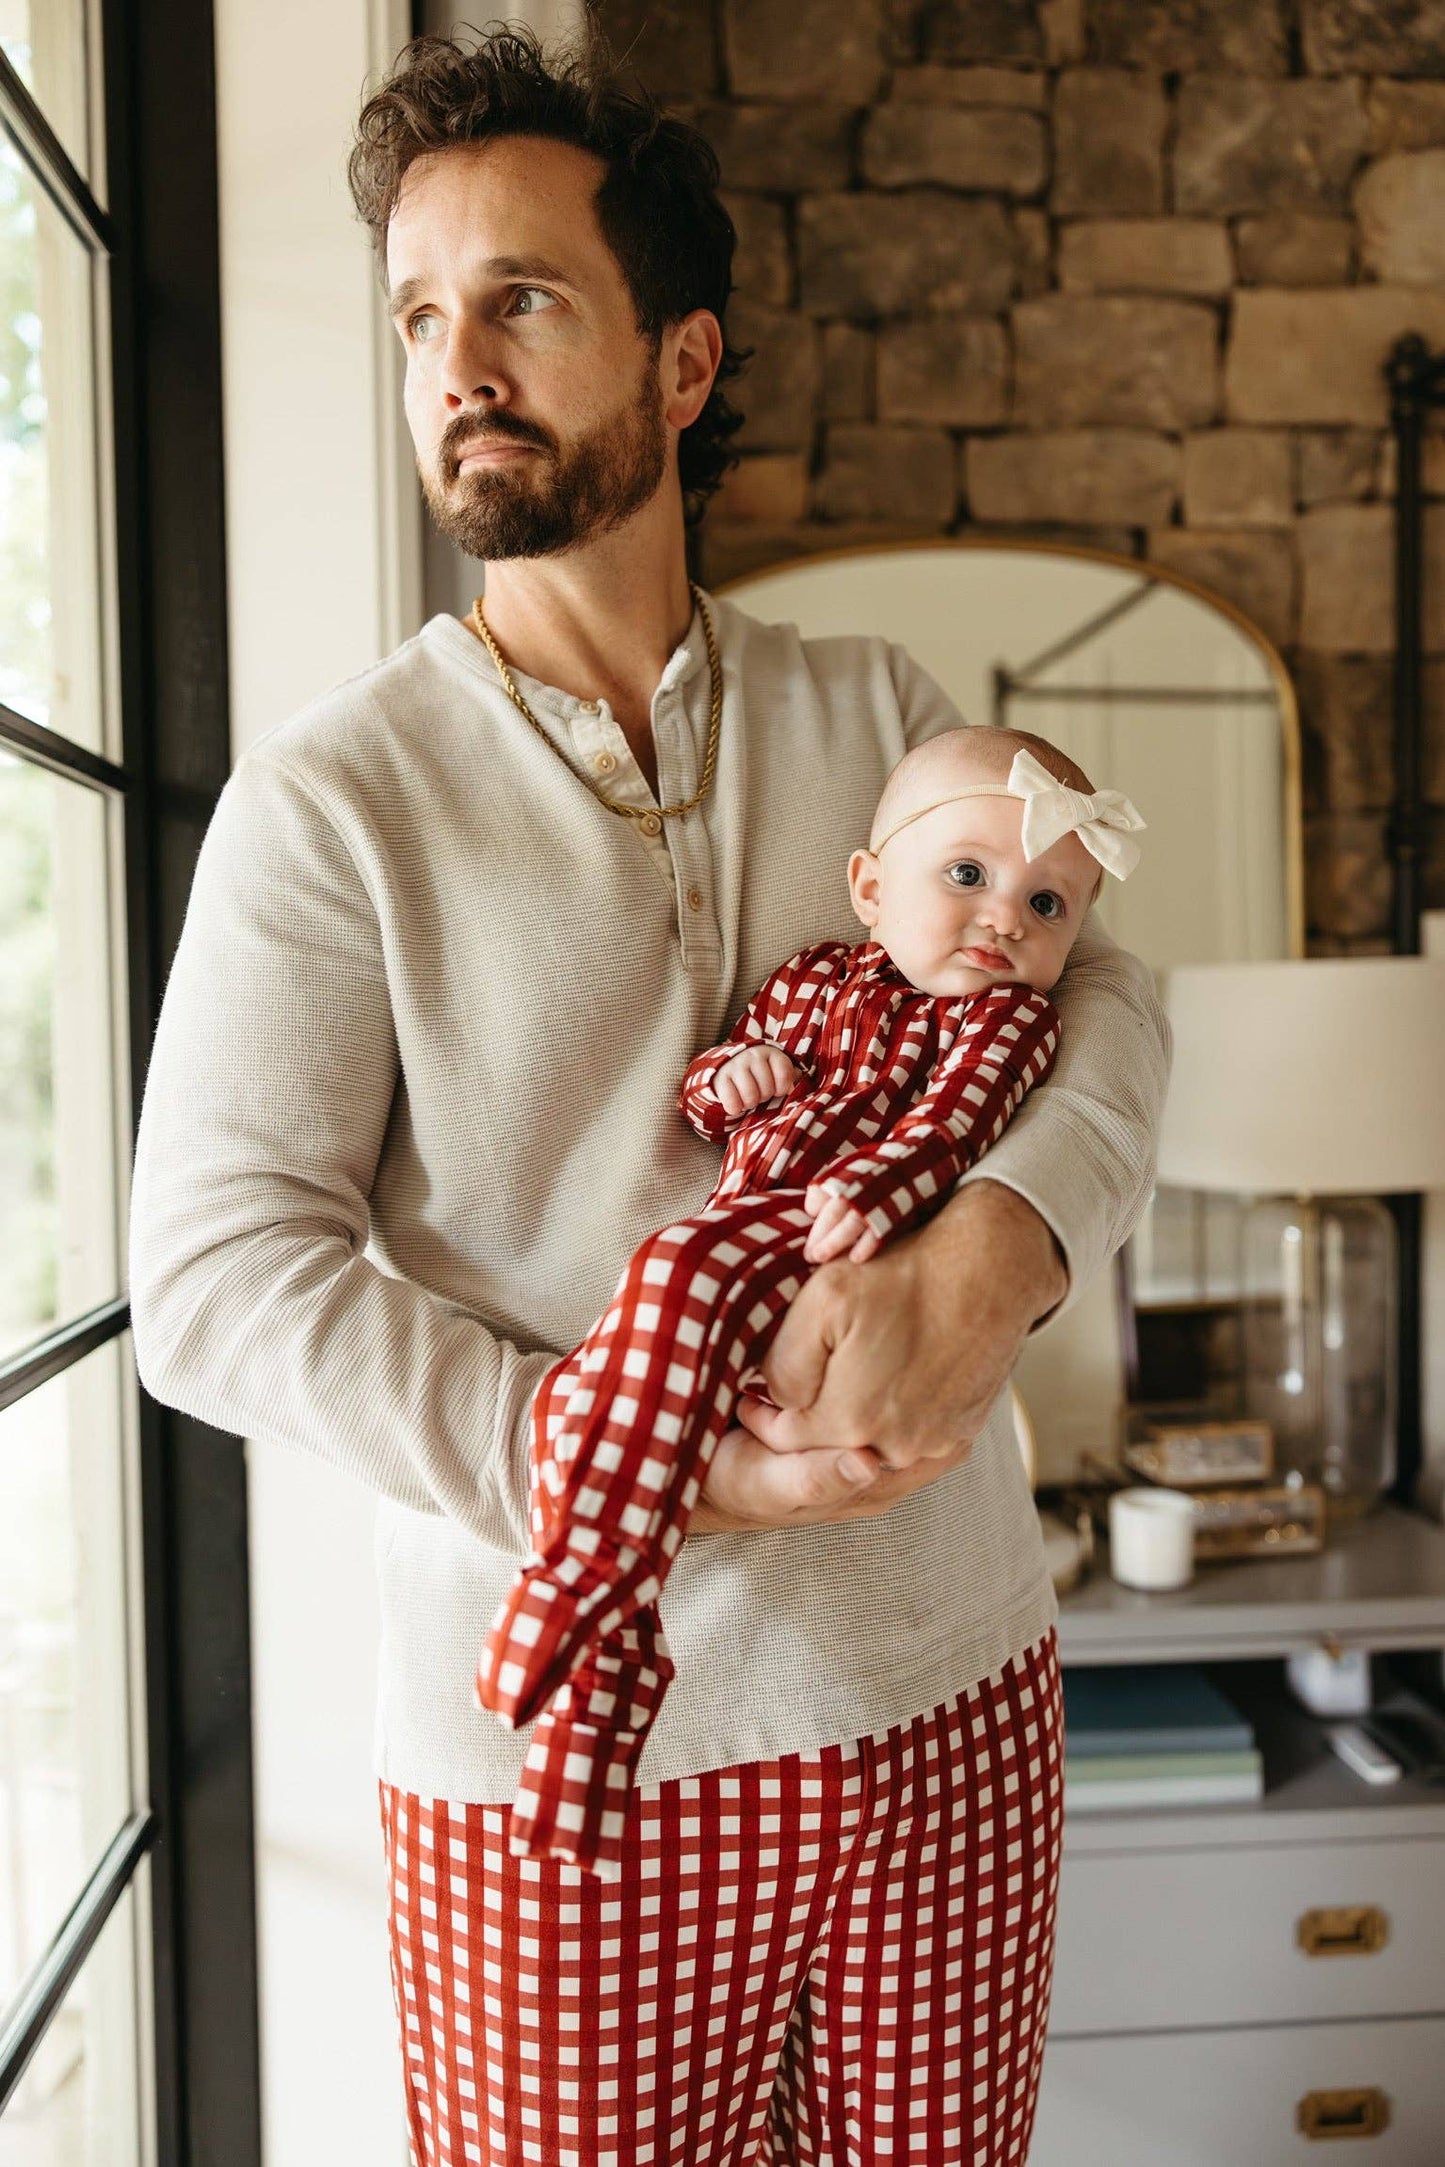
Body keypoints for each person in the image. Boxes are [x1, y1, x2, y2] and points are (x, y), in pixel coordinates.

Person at [127, 26, 1169, 2166]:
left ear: (681, 364)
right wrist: (612, 1462)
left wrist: (1004, 1241)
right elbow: (212, 1281)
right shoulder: (328, 805)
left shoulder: (872, 706)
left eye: (518, 298)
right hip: (554, 1777)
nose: (456, 365)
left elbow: (1110, 990)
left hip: (944, 1697)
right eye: (420, 314)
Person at [480, 729, 1146, 1879]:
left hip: (812, 1239)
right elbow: (715, 1084)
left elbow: (954, 1128)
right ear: (868, 888)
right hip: (751, 1212)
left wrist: (874, 1192)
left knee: (672, 1271)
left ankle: (581, 1595)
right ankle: (606, 1657)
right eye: (967, 875)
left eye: (1046, 904)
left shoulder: (1003, 1020)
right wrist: (733, 1078)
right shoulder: (811, 979)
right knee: (606, 1378)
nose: (1003, 918)